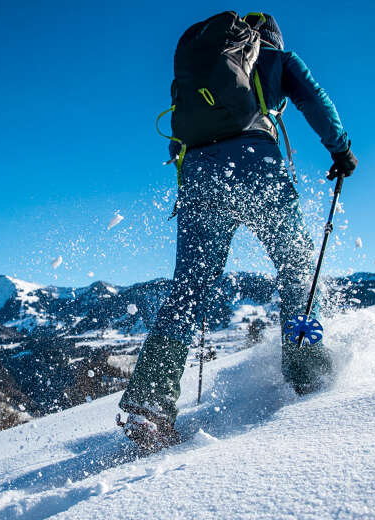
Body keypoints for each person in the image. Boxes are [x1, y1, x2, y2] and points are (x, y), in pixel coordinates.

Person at [118, 12, 358, 450]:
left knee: (188, 287)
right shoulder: (276, 58)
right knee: (296, 265)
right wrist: (341, 149)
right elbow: (314, 99)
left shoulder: (204, 74)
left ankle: (150, 407)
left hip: (198, 175)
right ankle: (307, 373)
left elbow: (179, 137)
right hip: (256, 166)